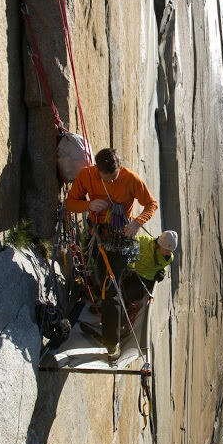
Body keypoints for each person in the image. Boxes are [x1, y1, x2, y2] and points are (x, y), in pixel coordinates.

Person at [66, 148, 158, 361]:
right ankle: (107, 311)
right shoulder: (87, 176)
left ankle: (111, 343)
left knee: (110, 286)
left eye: (114, 176)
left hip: (120, 239)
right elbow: (71, 203)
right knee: (101, 279)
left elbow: (151, 204)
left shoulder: (130, 179)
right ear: (98, 170)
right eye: (106, 178)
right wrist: (88, 205)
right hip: (96, 235)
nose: (111, 181)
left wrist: (137, 222)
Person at [123, 230, 178, 303]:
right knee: (127, 290)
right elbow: (132, 244)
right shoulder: (145, 242)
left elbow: (162, 266)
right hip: (133, 273)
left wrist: (162, 272)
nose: (169, 253)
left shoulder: (169, 258)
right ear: (160, 244)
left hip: (147, 282)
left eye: (171, 251)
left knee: (134, 294)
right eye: (167, 250)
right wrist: (130, 266)